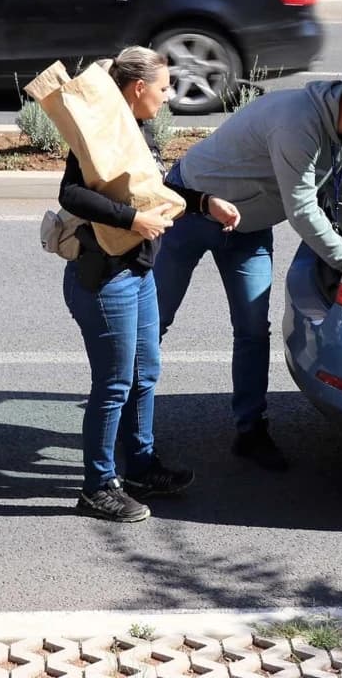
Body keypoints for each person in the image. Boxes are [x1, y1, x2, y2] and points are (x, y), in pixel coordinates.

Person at [155, 69, 342, 472]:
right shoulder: (298, 120)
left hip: (248, 228)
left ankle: (251, 430)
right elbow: (302, 209)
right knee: (154, 322)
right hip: (193, 209)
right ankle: (130, 431)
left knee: (254, 330)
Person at [60, 46, 242, 522]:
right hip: (106, 278)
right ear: (138, 88)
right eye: (163, 88)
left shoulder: (132, 128)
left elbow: (153, 189)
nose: (168, 96)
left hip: (138, 273)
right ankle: (97, 487)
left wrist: (203, 203)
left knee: (145, 375)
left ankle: (140, 466)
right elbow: (72, 195)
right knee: (115, 383)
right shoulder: (99, 131)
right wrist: (132, 219)